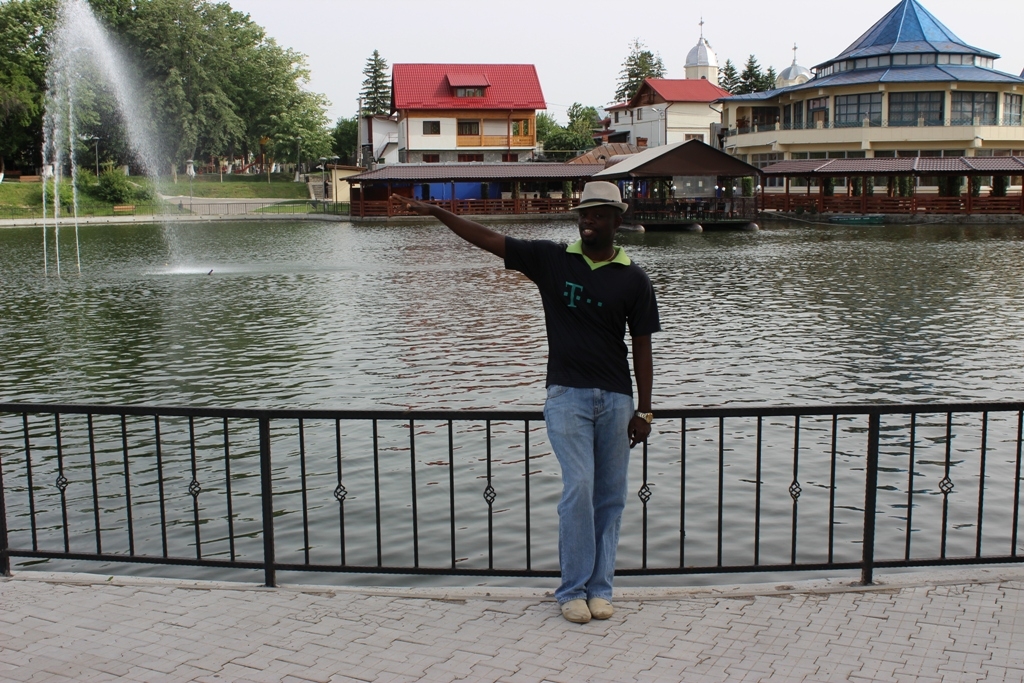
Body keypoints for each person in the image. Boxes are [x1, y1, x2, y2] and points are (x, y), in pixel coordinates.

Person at [390, 181, 659, 624]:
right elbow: (488, 238)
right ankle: (572, 590)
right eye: (583, 213)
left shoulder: (634, 279)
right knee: (579, 488)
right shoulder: (553, 259)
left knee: (610, 496)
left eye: (597, 214)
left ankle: (600, 589)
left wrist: (644, 410)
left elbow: (643, 347)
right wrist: (436, 212)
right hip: (567, 396)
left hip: (616, 399)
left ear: (617, 220)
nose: (587, 220)